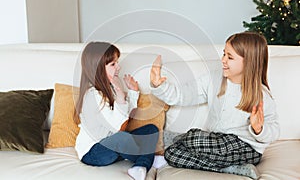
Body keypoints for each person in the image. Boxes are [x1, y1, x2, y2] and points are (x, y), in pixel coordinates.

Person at [149, 32, 280, 179]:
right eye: (224, 54)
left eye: (230, 57)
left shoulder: (261, 95)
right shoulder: (213, 79)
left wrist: (259, 129)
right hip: (215, 143)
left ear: (249, 62)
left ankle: (177, 138)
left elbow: (274, 131)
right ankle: (230, 169)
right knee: (171, 154)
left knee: (194, 139)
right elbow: (182, 95)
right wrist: (159, 85)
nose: (223, 60)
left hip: (245, 148)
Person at [74, 42, 159, 180]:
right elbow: (118, 127)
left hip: (112, 145)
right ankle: (148, 160)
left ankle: (142, 164)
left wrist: (132, 92)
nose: (118, 67)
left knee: (151, 129)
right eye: (113, 64)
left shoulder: (110, 87)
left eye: (117, 62)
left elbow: (127, 115)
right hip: (93, 152)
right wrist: (120, 95)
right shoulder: (93, 95)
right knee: (122, 138)